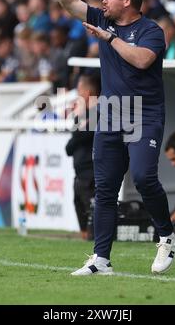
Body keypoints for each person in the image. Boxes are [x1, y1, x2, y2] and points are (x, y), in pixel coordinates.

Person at [40, 0, 175, 276]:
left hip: (144, 113)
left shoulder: (151, 31)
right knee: (104, 189)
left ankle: (167, 237)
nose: (102, 0)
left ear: (127, 1)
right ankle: (100, 259)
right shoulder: (103, 19)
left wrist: (111, 39)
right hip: (112, 113)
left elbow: (143, 60)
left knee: (145, 178)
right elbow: (69, 2)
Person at [66, 74, 101, 240]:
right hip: (80, 171)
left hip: (91, 171)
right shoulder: (84, 114)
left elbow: (81, 136)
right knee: (79, 206)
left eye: (79, 90)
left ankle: (94, 240)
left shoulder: (98, 112)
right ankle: (86, 237)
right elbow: (77, 134)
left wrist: (70, 145)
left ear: (87, 92)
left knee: (91, 209)